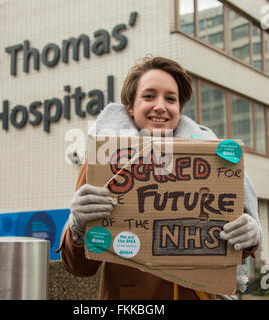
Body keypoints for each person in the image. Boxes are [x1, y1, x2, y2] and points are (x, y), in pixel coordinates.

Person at [56, 56, 262, 300]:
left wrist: (249, 236)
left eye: (170, 99)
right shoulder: (103, 161)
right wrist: (78, 226)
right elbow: (79, 268)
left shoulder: (214, 163)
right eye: (149, 96)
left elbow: (227, 249)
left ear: (179, 109)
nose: (160, 106)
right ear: (130, 106)